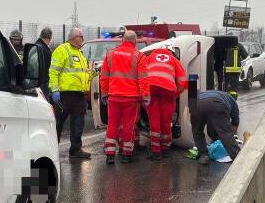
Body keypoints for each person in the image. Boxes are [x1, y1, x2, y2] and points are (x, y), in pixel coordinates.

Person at [100, 30, 149, 164]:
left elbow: (104, 76)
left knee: (112, 125)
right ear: (135, 41)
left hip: (114, 97)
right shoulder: (139, 56)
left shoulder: (110, 55)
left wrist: (104, 93)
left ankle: (110, 154)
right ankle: (126, 154)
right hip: (131, 98)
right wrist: (145, 96)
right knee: (129, 125)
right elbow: (143, 79)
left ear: (122, 40)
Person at [49, 27, 92, 159]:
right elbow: (54, 71)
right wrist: (54, 90)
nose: (83, 39)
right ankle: (51, 149)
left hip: (79, 95)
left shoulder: (80, 53)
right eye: (81, 37)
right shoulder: (62, 50)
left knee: (78, 123)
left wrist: (92, 73)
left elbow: (83, 73)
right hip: (64, 95)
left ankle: (75, 149)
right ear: (74, 37)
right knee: (58, 123)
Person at [144, 45, 188, 159]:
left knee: (154, 120)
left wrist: (143, 94)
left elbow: (141, 76)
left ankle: (156, 152)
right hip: (168, 91)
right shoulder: (174, 60)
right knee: (166, 121)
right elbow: (183, 81)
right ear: (171, 52)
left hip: (151, 89)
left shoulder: (149, 57)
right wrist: (175, 94)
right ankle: (166, 148)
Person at [192, 90, 240, 165]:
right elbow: (235, 122)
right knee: (225, 132)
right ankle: (237, 155)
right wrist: (231, 135)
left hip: (196, 104)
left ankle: (203, 155)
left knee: (197, 130)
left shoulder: (219, 94)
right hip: (217, 104)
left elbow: (212, 123)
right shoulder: (232, 101)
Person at [35, 27, 54, 100]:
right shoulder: (46, 50)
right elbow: (49, 69)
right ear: (49, 38)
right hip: (43, 83)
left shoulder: (35, 45)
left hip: (34, 82)